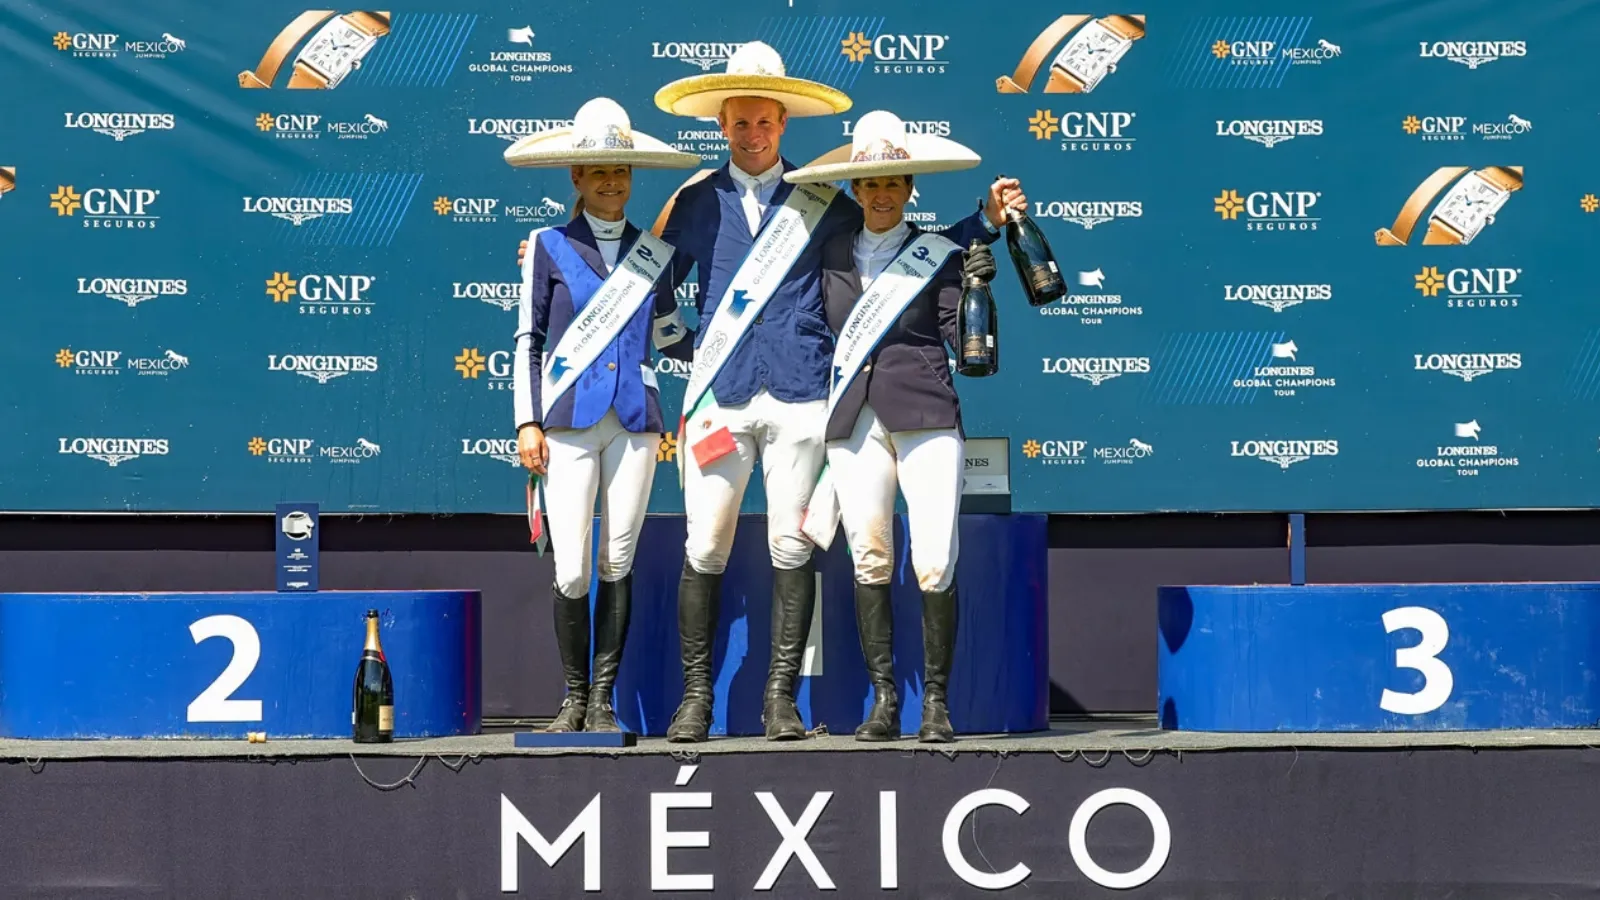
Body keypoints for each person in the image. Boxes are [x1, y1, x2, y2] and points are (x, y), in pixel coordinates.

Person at [647, 42, 1025, 743]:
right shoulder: (695, 200)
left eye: (764, 122)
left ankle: (780, 702)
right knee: (706, 548)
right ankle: (696, 699)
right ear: (721, 125)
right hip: (719, 402)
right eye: (739, 123)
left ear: (783, 123)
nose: (752, 134)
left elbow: (911, 246)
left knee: (794, 547)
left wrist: (987, 225)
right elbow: (645, 277)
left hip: (801, 398)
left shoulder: (826, 196)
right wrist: (685, 348)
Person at [787, 110, 1018, 743]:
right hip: (853, 418)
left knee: (936, 557)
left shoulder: (937, 254)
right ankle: (886, 701)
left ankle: (936, 703)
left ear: (910, 186)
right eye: (870, 182)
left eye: (895, 181)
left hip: (925, 412)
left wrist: (980, 295)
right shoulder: (826, 254)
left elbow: (965, 342)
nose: (882, 192)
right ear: (855, 189)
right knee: (870, 557)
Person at [507, 97, 700, 733]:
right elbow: (528, 340)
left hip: (636, 422)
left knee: (619, 559)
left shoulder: (654, 253)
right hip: (565, 420)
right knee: (571, 563)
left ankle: (602, 700)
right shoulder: (545, 245)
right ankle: (571, 694)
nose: (612, 183)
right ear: (576, 178)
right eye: (598, 172)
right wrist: (526, 420)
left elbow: (672, 335)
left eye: (621, 172)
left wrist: (729, 352)